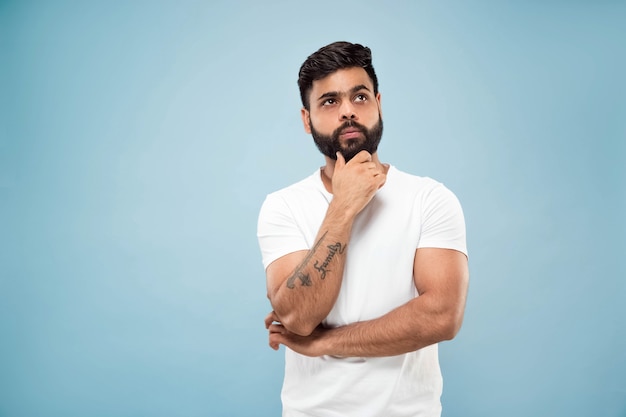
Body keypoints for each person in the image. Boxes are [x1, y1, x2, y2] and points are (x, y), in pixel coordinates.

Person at [257, 41, 469, 417]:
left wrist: (326, 343)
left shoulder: (430, 199)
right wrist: (343, 205)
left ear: (378, 104)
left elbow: (441, 316)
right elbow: (297, 317)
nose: (348, 112)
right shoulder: (282, 206)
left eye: (360, 96)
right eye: (329, 101)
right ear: (306, 120)